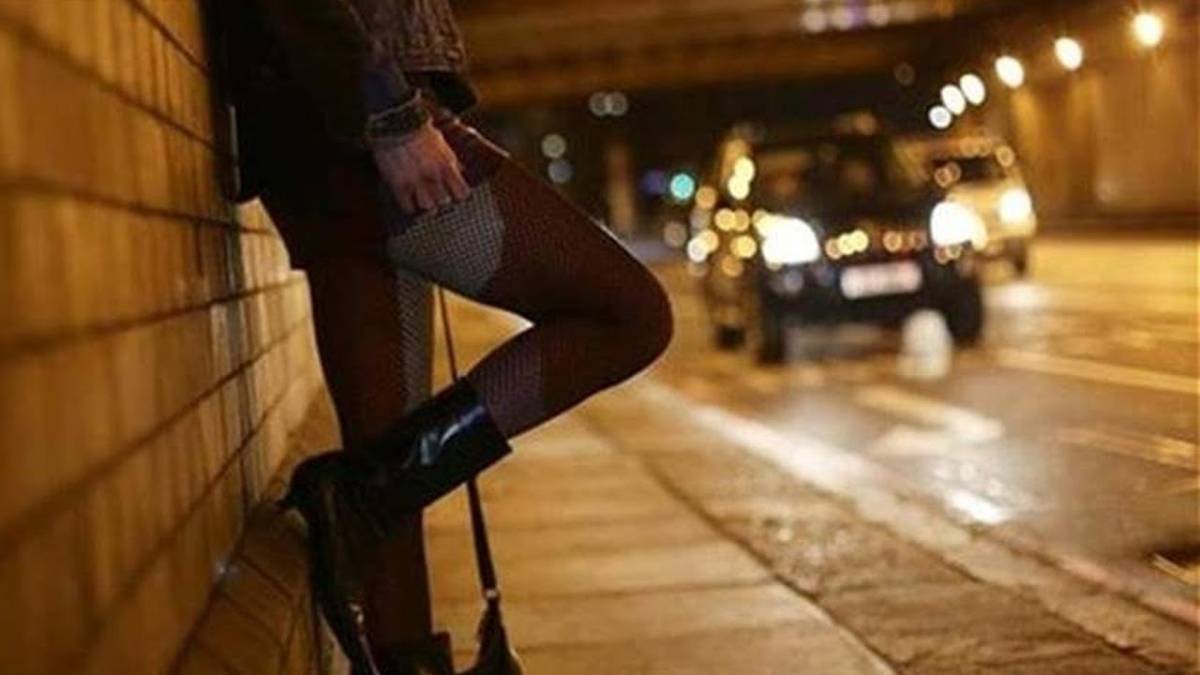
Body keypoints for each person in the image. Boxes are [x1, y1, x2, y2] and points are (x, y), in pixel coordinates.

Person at [220, 1, 673, 672]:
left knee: (386, 487)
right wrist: (391, 114)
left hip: (322, 130)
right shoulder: (376, 117)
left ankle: (368, 506)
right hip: (357, 128)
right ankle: (359, 490)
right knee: (631, 315)